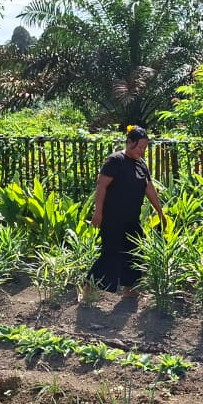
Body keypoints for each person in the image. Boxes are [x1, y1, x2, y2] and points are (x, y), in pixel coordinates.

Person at [85, 125, 166, 298]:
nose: (142, 151)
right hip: (112, 218)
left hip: (132, 219)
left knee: (134, 252)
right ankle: (88, 287)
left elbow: (149, 187)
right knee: (110, 253)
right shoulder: (115, 161)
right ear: (129, 142)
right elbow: (101, 186)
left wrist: (160, 211)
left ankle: (129, 289)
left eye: (144, 148)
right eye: (139, 147)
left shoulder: (141, 164)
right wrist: (98, 212)